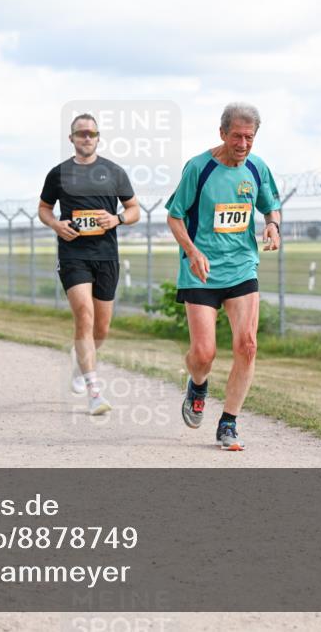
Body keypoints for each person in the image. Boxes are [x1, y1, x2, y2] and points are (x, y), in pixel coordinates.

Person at [165, 102, 281, 451]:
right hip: (201, 271)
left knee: (248, 345)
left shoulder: (257, 168)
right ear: (222, 133)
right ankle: (197, 385)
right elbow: (174, 216)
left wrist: (273, 225)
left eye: (249, 137)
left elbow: (270, 206)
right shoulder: (198, 168)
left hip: (242, 267)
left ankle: (228, 422)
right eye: (236, 136)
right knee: (204, 354)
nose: (243, 144)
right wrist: (192, 252)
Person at [38, 113, 140, 415]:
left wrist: (117, 219)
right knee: (84, 313)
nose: (86, 137)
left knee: (101, 329)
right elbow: (44, 208)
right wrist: (56, 225)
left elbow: (134, 209)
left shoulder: (114, 172)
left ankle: (80, 363)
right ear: (71, 138)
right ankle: (95, 392)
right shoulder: (59, 174)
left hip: (106, 256)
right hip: (73, 255)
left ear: (98, 137)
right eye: (81, 133)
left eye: (91, 133)